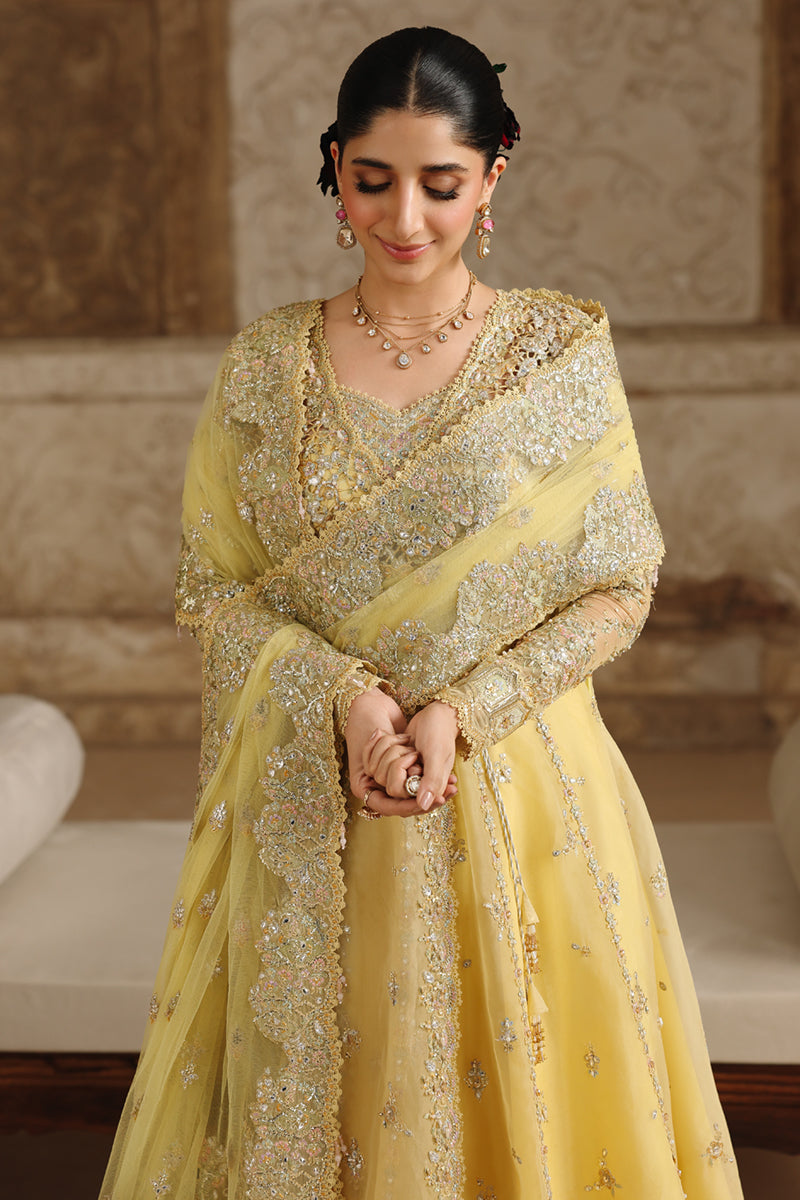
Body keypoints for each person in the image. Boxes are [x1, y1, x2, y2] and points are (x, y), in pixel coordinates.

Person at [100, 26, 744, 1200]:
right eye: (371, 180)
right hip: (311, 801)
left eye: (440, 184)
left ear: (492, 175)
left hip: (518, 793)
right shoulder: (263, 366)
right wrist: (344, 699)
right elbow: (216, 592)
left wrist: (463, 711)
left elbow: (617, 586)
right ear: (332, 169)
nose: (402, 218)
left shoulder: (552, 356)